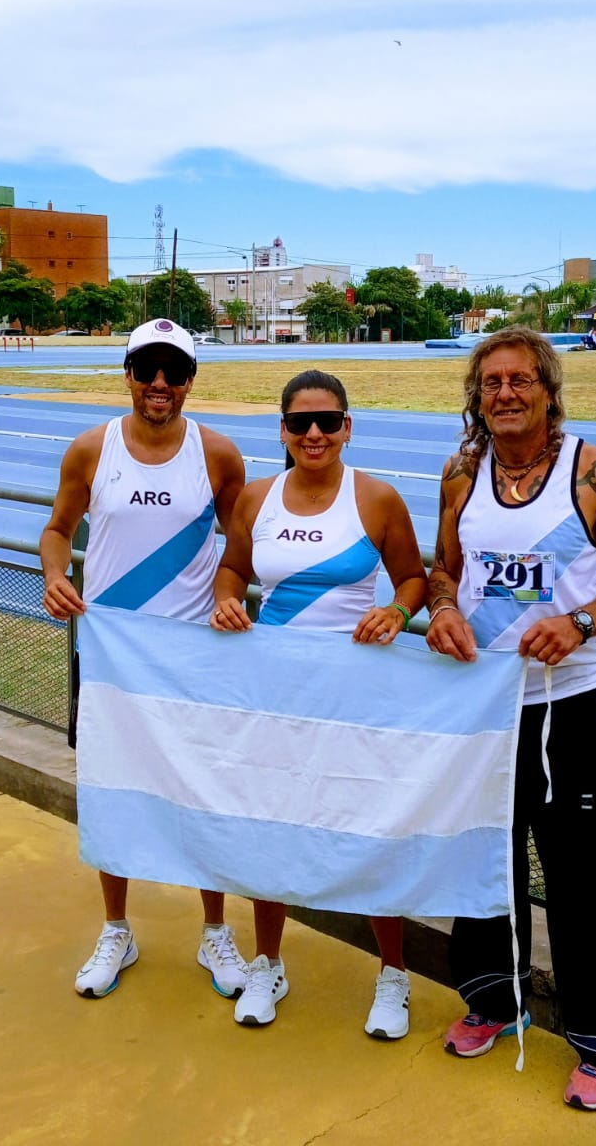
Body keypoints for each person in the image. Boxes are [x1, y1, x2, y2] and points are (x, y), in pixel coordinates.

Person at [424, 327, 596, 1112]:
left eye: (520, 380)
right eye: (491, 382)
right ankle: (493, 1000)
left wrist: (580, 623)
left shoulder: (593, 472)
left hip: (566, 707)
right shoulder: (461, 472)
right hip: (482, 703)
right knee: (483, 860)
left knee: (581, 878)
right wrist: (444, 611)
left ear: (548, 391)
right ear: (476, 395)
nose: (504, 393)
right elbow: (443, 570)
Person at [212, 369, 427, 1037]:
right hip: (275, 693)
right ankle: (268, 963)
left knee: (365, 828)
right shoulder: (256, 499)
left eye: (327, 422)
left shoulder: (377, 499)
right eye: (301, 423)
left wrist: (396, 611)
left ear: (347, 428)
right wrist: (226, 601)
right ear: (282, 430)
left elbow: (414, 579)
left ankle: (393, 974)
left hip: (353, 695)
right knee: (271, 826)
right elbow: (232, 570)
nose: (314, 433)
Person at [40, 318, 250, 1001]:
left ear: (190, 380)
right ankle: (116, 930)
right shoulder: (90, 449)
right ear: (128, 373)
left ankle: (215, 931)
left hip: (193, 658)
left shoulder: (218, 454)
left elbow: (241, 548)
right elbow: (57, 530)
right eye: (148, 369)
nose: (160, 384)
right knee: (111, 791)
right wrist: (54, 576)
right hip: (111, 657)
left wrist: (231, 597)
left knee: (204, 791)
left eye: (175, 372)